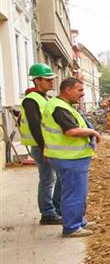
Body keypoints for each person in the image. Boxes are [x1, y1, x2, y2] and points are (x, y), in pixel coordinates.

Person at [42, 77, 101, 237]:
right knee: (74, 193)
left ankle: (79, 221)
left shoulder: (62, 105)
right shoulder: (60, 108)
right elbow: (71, 131)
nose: (82, 94)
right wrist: (92, 132)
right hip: (69, 158)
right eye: (80, 90)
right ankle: (72, 227)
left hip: (69, 157)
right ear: (68, 90)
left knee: (76, 192)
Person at [19, 63, 62, 225]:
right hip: (41, 146)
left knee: (56, 177)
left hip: (47, 145)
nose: (51, 82)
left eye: (52, 79)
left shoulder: (44, 98)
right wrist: (44, 147)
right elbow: (35, 126)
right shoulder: (31, 100)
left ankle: (56, 209)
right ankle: (48, 214)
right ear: (37, 81)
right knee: (47, 179)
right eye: (48, 79)